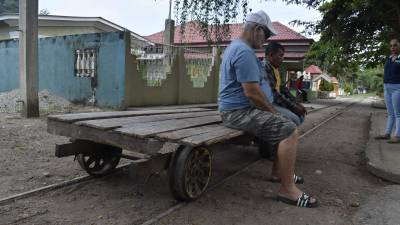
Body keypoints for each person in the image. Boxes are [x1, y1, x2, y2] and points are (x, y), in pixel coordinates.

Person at [218, 10, 318, 208]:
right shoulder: (244, 51)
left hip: (237, 109)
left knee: (281, 124)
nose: (266, 41)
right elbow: (252, 93)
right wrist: (273, 113)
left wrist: (273, 113)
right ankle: (288, 190)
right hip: (238, 113)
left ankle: (280, 173)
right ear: (257, 30)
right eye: (267, 35)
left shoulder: (237, 47)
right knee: (288, 129)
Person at [264, 42, 307, 126]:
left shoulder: (276, 69)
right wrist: (294, 107)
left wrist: (296, 103)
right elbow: (274, 94)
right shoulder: (265, 67)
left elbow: (284, 90)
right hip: (268, 103)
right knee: (295, 120)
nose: (282, 58)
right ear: (271, 55)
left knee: (300, 116)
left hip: (277, 102)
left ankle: (285, 137)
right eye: (280, 55)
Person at [374, 38, 400, 143]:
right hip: (387, 88)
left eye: (395, 45)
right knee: (390, 113)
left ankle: (398, 136)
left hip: (397, 88)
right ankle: (387, 133)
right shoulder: (389, 58)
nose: (393, 47)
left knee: (398, 113)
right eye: (391, 46)